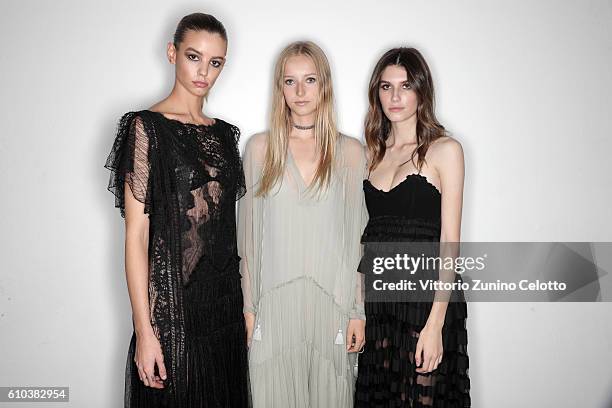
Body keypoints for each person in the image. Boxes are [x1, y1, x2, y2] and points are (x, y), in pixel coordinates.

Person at [104, 12, 250, 408]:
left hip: (224, 307)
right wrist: (145, 330)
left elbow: (226, 228)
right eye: (193, 56)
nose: (204, 71)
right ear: (172, 53)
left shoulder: (225, 134)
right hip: (173, 312)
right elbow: (136, 235)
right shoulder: (145, 128)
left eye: (215, 62)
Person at [238, 41, 367, 407]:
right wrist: (249, 309)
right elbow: (248, 239)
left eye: (309, 80)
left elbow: (357, 239)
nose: (300, 92)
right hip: (274, 308)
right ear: (279, 87)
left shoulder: (350, 153)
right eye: (290, 81)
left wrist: (357, 311)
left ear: (324, 85)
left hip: (332, 307)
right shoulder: (260, 150)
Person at [354, 47, 471, 407]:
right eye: (386, 87)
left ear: (421, 91)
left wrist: (435, 325)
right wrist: (356, 309)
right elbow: (365, 240)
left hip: (426, 301)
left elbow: (450, 242)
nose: (395, 97)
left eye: (405, 86)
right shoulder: (369, 153)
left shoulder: (444, 150)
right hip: (379, 305)